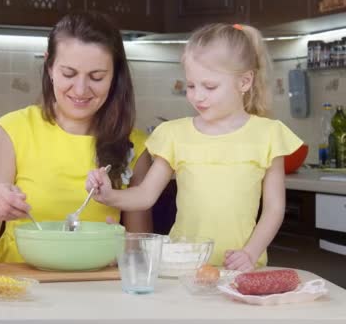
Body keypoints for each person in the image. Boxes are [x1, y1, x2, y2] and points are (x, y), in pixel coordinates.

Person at [86, 23, 303, 272]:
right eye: (191, 85)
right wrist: (109, 195)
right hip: (184, 266)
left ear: (244, 82)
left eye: (209, 87)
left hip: (241, 268)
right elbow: (145, 195)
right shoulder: (175, 134)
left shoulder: (268, 135)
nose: (197, 96)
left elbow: (274, 208)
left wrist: (250, 253)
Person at [0, 11, 153, 263]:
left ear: (115, 75)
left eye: (97, 77)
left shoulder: (136, 147)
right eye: (69, 74)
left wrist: (119, 250)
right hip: (17, 287)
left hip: (96, 290)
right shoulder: (15, 129)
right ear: (50, 66)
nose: (81, 89)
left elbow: (140, 252)